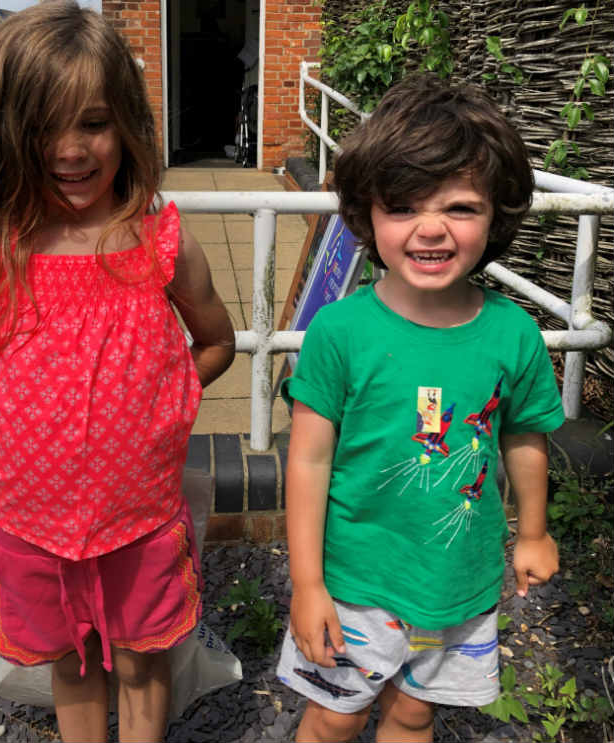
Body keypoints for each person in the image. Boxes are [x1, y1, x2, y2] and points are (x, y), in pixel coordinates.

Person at [0, 3, 235, 742]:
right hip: (34, 526)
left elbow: (214, 345)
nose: (70, 148)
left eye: (92, 122)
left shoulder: (158, 243)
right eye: (44, 126)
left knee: (143, 660)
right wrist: (10, 409)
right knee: (73, 662)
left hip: (140, 519)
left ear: (127, 125)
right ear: (7, 134)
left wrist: (160, 401)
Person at [276, 73, 564, 743]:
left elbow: (523, 434)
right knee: (331, 718)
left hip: (459, 587)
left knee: (413, 713)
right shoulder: (338, 332)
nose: (430, 228)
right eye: (403, 206)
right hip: (354, 583)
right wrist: (307, 581)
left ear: (497, 215)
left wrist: (532, 530)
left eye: (460, 208)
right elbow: (309, 460)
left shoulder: (512, 334)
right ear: (366, 213)